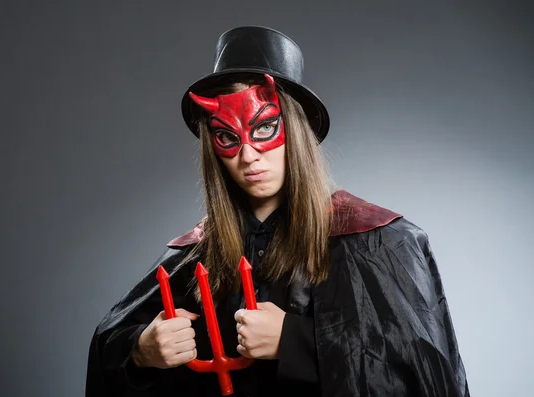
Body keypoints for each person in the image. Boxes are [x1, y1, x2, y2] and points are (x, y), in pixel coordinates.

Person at [85, 26, 470, 397]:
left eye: (265, 129)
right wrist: (140, 350)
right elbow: (110, 343)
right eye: (227, 138)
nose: (248, 155)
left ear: (296, 130)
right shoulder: (194, 256)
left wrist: (295, 341)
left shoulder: (379, 241)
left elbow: (419, 371)